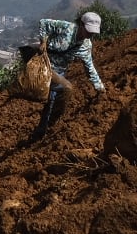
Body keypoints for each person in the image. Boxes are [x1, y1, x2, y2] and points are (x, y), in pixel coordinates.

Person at [31, 10, 105, 138]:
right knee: (67, 88)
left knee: (51, 102)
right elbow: (44, 23)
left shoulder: (86, 46)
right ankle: (50, 125)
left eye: (92, 32)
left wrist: (99, 87)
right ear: (81, 25)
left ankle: (43, 131)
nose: (90, 34)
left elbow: (89, 67)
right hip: (43, 64)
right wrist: (43, 41)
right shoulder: (66, 28)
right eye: (88, 30)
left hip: (59, 72)